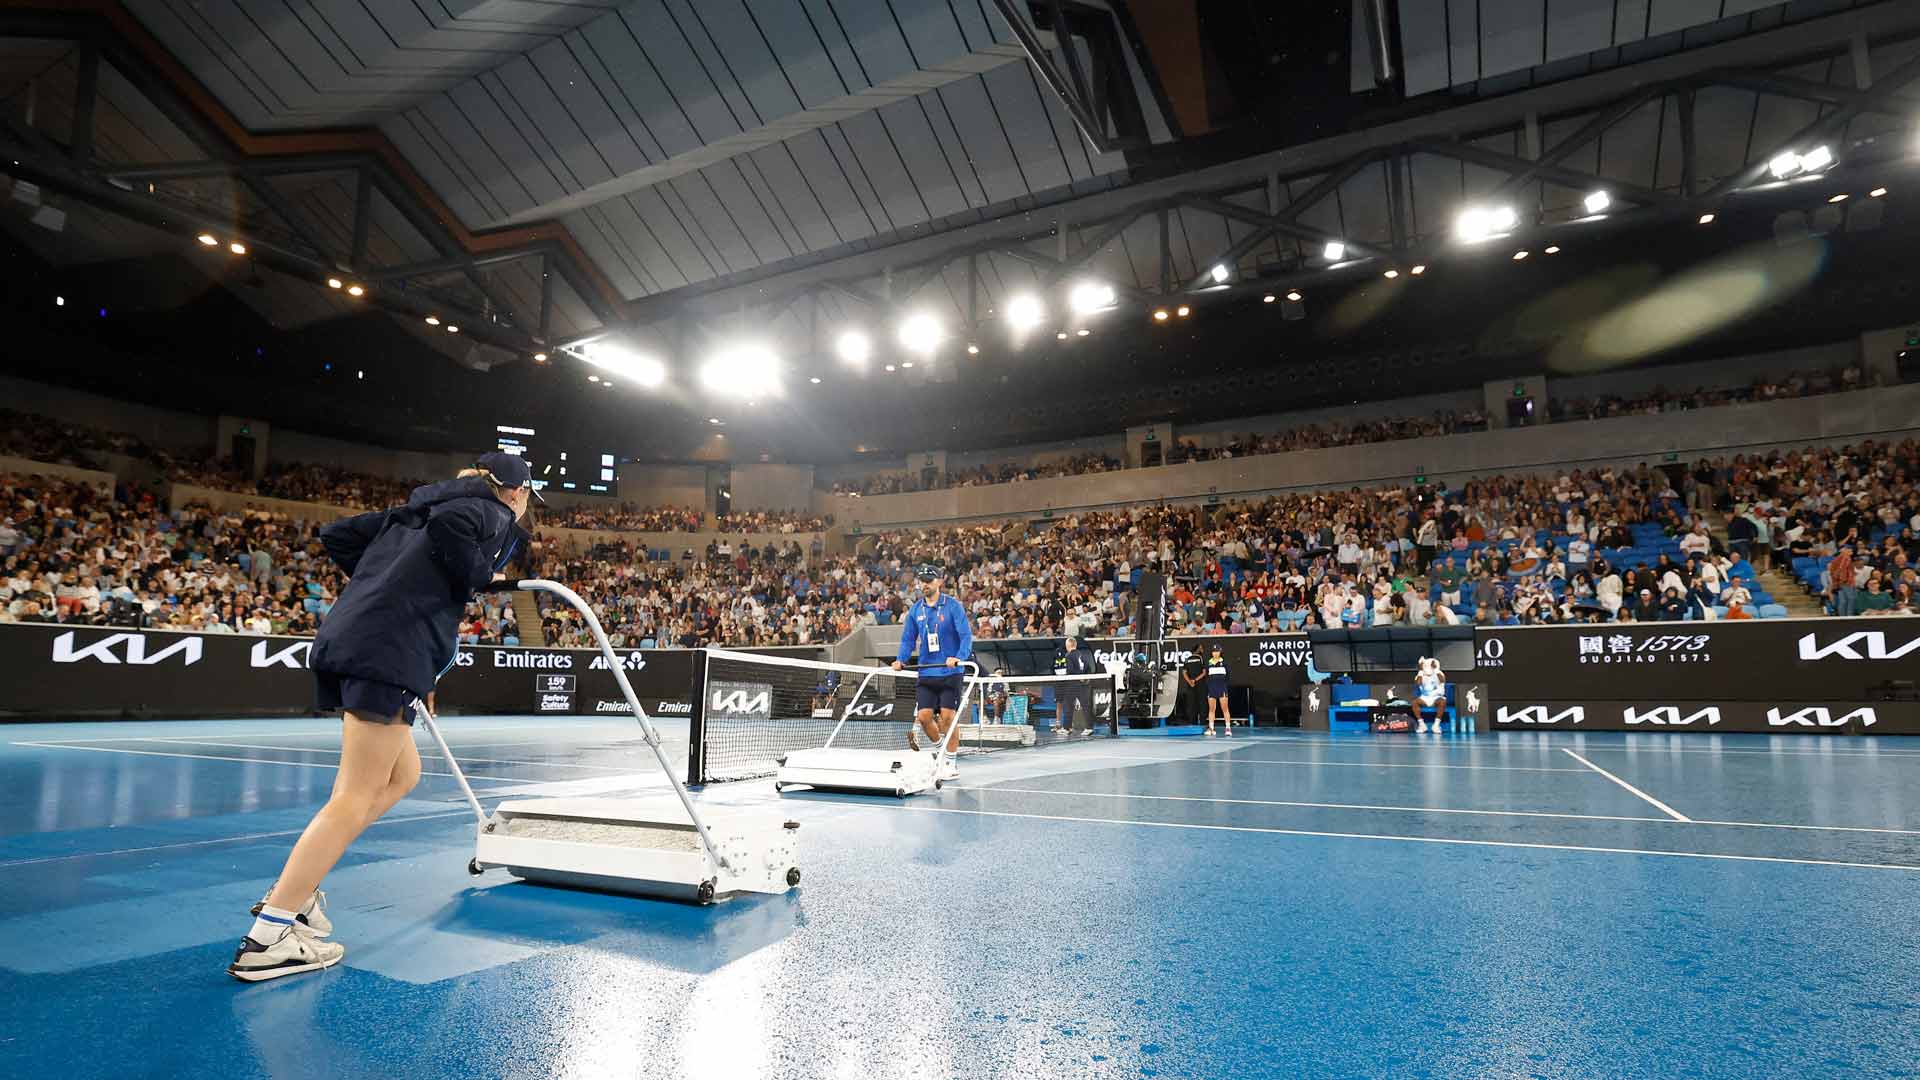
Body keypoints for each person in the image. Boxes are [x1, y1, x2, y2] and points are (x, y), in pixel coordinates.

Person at [230, 452, 537, 983]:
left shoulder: (412, 512)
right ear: (514, 491)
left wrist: (389, 579)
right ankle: (273, 931)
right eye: (527, 497)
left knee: (403, 775)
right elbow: (454, 531)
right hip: (388, 651)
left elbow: (338, 536)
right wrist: (476, 575)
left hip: (357, 639)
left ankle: (298, 893)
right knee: (351, 796)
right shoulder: (489, 513)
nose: (525, 507)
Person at [892, 563, 972, 778]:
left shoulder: (953, 606)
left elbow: (966, 636)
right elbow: (908, 639)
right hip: (927, 672)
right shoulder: (916, 610)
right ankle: (941, 752)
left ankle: (951, 764)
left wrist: (959, 658)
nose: (924, 584)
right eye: (922, 581)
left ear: (939, 582)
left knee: (947, 718)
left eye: (929, 580)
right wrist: (901, 660)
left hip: (950, 672)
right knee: (925, 717)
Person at [1054, 634, 1098, 737]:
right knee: (1086, 706)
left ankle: (1068, 728)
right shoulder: (1082, 655)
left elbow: (1070, 671)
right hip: (1083, 685)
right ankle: (1087, 728)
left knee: (1068, 706)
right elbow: (1089, 668)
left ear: (1068, 646)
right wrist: (1084, 678)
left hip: (1072, 684)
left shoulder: (1068, 656)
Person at [1203, 642, 1232, 736]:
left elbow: (1228, 676)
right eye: (1213, 651)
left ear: (1220, 652)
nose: (1215, 653)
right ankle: (1211, 728)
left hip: (1222, 688)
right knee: (1211, 709)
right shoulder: (1208, 663)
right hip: (1212, 689)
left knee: (1225, 708)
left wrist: (1223, 686)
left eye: (1217, 651)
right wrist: (1210, 686)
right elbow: (1206, 676)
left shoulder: (1225, 663)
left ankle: (1228, 728)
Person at [1413, 656, 1447, 732]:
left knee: (1443, 701)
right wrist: (1421, 671)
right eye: (1426, 665)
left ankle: (1436, 725)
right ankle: (1422, 725)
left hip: (1437, 697)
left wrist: (1436, 669)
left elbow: (1442, 680)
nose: (1428, 667)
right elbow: (1418, 683)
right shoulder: (1420, 674)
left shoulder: (1438, 673)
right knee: (1415, 702)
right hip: (1425, 698)